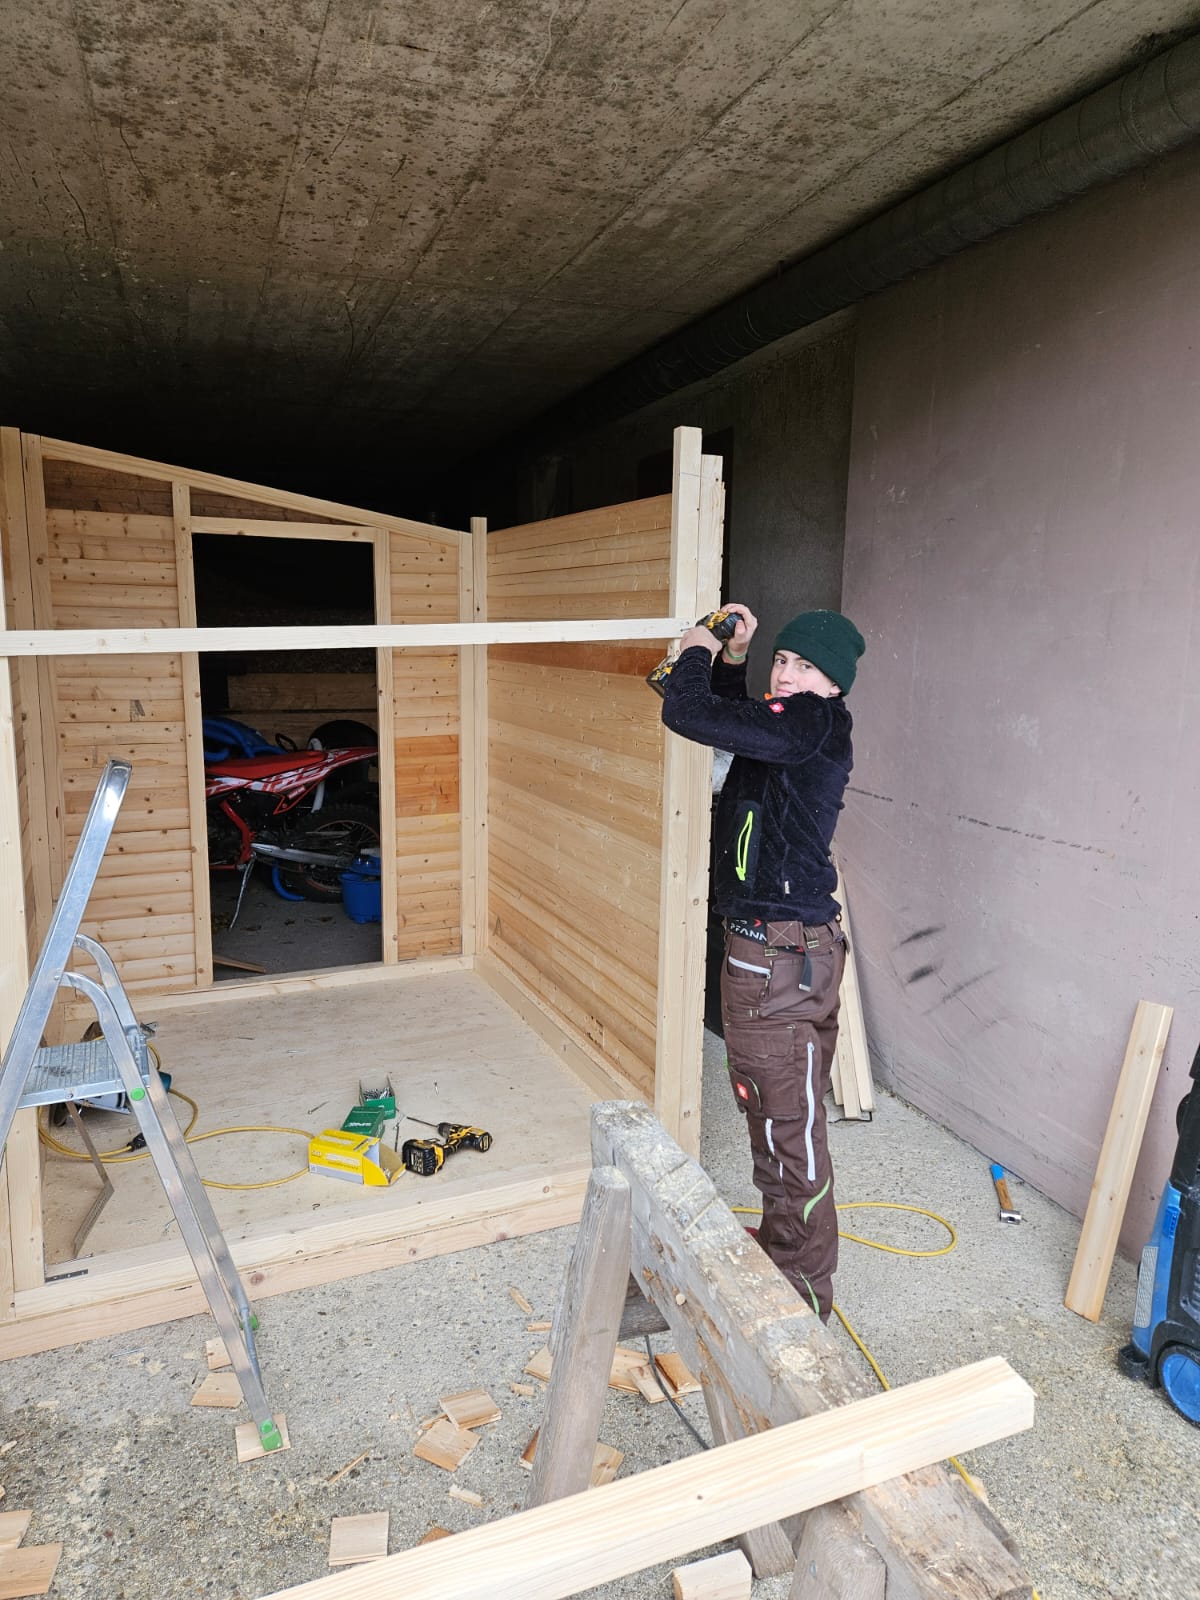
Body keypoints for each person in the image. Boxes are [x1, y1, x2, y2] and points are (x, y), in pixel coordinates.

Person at [659, 603, 865, 1321]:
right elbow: (738, 724)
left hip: (775, 957)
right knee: (784, 1119)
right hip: (793, 950)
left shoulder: (809, 721)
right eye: (782, 660)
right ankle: (786, 1253)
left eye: (805, 666)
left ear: (833, 684)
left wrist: (694, 652)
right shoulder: (795, 729)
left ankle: (800, 1298)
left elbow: (688, 713)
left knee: (786, 1130)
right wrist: (733, 660)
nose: (788, 673)